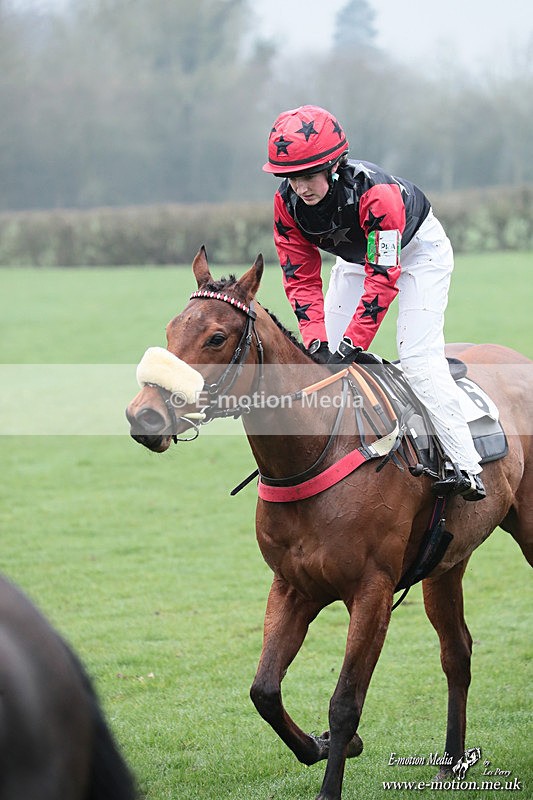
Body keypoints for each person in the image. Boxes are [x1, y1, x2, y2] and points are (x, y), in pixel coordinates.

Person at [262, 104, 485, 501]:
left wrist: (353, 344)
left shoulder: (376, 194)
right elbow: (300, 279)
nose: (301, 187)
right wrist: (318, 341)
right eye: (290, 178)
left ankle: (466, 465)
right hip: (355, 258)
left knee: (417, 361)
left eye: (309, 176)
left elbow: (383, 278)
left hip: (417, 253)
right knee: (319, 362)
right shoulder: (287, 206)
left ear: (334, 166)